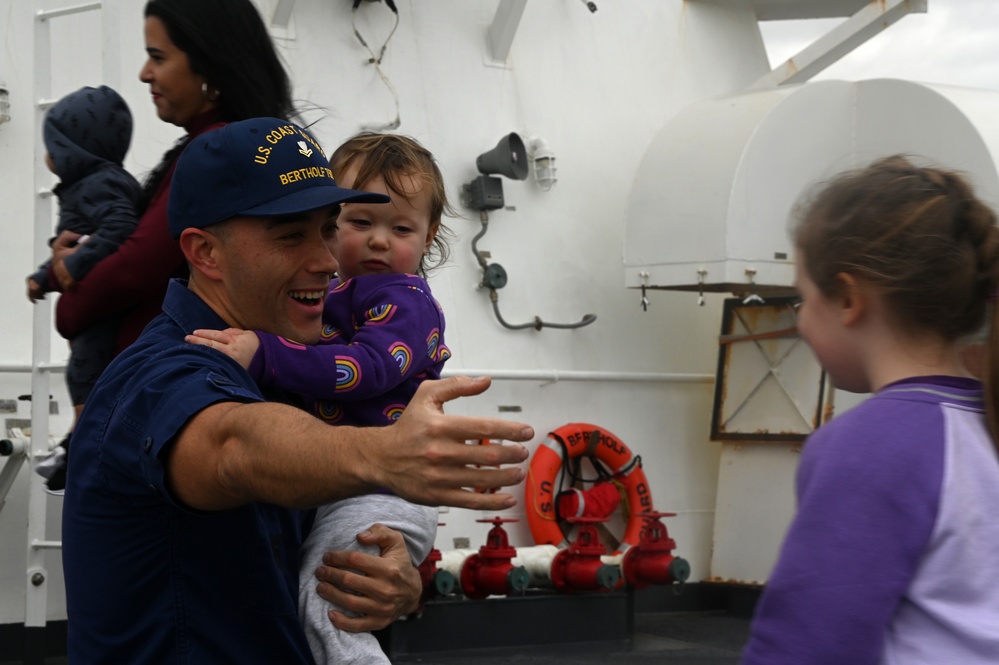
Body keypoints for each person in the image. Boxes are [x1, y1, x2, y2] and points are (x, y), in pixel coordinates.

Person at [61, 116, 533, 664]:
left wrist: (396, 582)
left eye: (329, 228)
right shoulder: (162, 371)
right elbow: (233, 446)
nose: (328, 261)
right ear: (205, 253)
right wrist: (383, 453)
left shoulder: (290, 366)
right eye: (291, 236)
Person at [187, 132, 458, 663]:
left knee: (327, 597)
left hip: (379, 489)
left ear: (428, 240)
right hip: (350, 483)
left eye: (400, 228)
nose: (379, 241)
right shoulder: (337, 295)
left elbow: (368, 368)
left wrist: (264, 353)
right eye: (358, 223)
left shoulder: (405, 301)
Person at [739, 155, 999, 664]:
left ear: (849, 300)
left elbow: (810, 644)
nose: (800, 322)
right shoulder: (982, 422)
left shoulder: (873, 445)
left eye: (803, 299)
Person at [51, 0, 294, 357]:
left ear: (207, 63)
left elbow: (135, 270)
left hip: (172, 377)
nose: (145, 73)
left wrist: (69, 299)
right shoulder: (235, 144)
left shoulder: (217, 153)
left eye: (158, 57)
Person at [25, 85, 141, 494]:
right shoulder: (92, 183)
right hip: (94, 309)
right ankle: (80, 441)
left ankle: (84, 443)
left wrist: (69, 266)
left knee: (86, 372)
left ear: (79, 151)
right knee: (85, 371)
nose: (48, 156)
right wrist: (46, 274)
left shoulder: (99, 184)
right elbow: (78, 241)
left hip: (104, 312)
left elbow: (118, 228)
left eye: (55, 146)